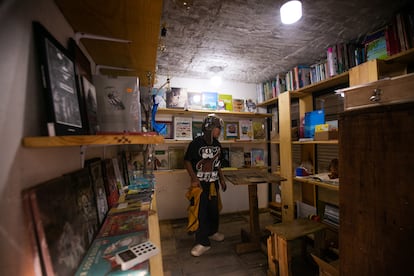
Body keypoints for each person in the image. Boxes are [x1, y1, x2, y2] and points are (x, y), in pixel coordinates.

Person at [184, 114, 227, 257]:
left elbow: (218, 164)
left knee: (213, 210)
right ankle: (202, 242)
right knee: (200, 212)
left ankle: (212, 232)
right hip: (200, 185)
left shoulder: (217, 144)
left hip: (213, 184)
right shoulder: (196, 143)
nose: (219, 131)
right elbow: (187, 161)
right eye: (218, 128)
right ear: (209, 128)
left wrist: (221, 179)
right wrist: (194, 178)